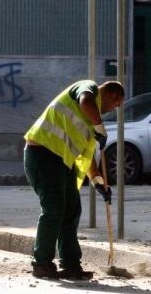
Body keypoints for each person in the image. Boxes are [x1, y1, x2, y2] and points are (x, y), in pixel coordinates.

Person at [23, 79, 126, 280]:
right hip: (42, 153)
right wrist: (100, 126)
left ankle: (71, 264)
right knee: (54, 208)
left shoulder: (90, 121)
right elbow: (85, 100)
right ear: (112, 95)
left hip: (62, 161)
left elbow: (86, 156)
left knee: (71, 210)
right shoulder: (88, 88)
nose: (113, 110)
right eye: (116, 105)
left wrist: (97, 181)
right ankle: (41, 263)